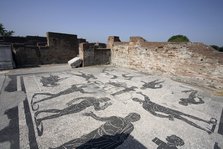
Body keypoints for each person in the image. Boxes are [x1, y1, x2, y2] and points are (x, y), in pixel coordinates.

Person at [132, 92, 217, 134]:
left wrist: (141, 93)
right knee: (185, 119)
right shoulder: (145, 106)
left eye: (137, 98)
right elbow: (155, 114)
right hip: (168, 112)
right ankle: (205, 130)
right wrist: (167, 116)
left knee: (188, 115)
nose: (138, 99)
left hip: (168, 109)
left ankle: (207, 122)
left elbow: (146, 97)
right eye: (136, 100)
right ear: (137, 101)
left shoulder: (146, 101)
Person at [50, 112, 140, 149]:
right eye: (131, 115)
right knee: (80, 140)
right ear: (128, 114)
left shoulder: (129, 127)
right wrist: (92, 115)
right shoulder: (115, 117)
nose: (130, 117)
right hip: (96, 132)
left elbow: (121, 138)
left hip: (105, 140)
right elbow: (100, 118)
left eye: (133, 118)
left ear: (134, 120)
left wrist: (111, 139)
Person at [34, 97, 112, 136]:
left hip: (76, 105)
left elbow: (80, 97)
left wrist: (71, 101)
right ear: (103, 100)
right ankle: (40, 119)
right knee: (60, 113)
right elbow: (98, 109)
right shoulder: (96, 102)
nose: (102, 101)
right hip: (78, 108)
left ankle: (40, 112)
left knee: (59, 111)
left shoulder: (93, 98)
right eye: (104, 101)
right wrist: (106, 105)